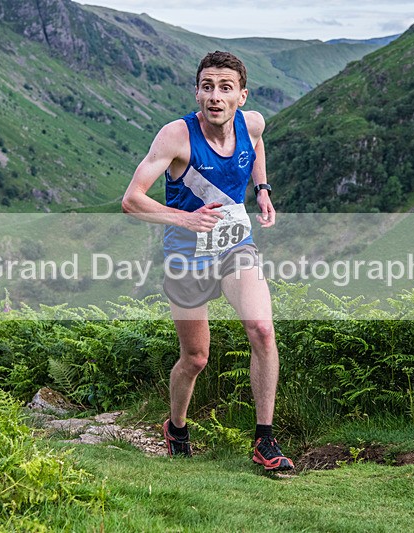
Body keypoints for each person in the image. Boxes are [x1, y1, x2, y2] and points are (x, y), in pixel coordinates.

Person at [121, 51, 294, 471]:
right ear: (197, 93)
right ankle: (176, 427)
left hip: (235, 245)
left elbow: (257, 144)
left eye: (225, 88)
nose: (215, 96)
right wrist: (186, 218)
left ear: (241, 96)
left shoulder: (252, 123)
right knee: (196, 358)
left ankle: (264, 441)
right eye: (207, 87)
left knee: (262, 330)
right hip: (186, 256)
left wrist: (263, 188)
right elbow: (132, 200)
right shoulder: (175, 136)